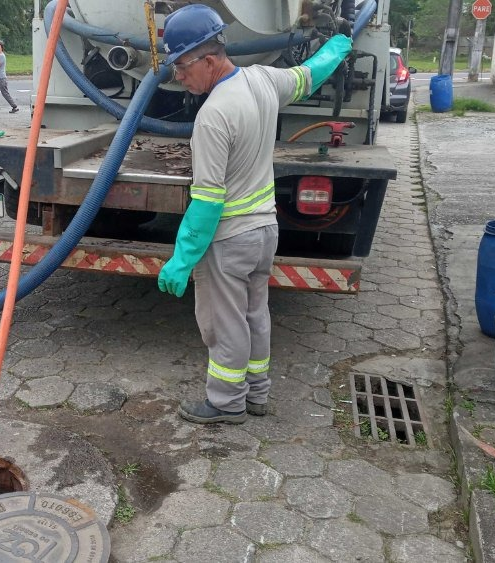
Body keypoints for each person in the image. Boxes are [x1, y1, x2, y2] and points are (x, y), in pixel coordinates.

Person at [156, 4, 352, 424]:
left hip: (228, 239)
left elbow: (207, 203)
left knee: (223, 325)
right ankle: (258, 394)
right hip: (265, 232)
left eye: (182, 65)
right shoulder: (263, 80)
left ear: (210, 59)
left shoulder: (212, 117)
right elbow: (308, 75)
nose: (178, 76)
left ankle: (226, 403)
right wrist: (336, 49)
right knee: (255, 316)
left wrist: (181, 259)